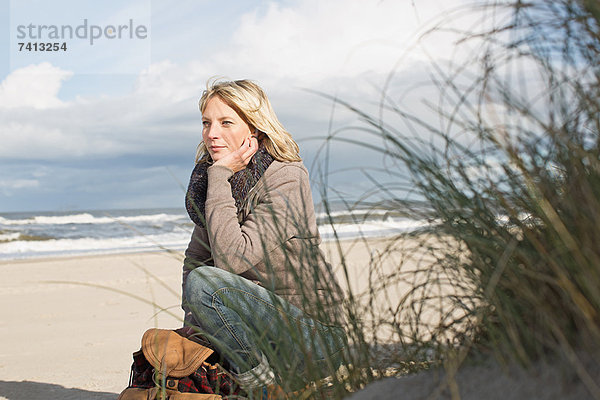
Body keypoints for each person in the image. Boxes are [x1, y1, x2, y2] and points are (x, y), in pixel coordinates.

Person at [181, 79, 347, 398]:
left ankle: (262, 389)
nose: (211, 133)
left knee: (205, 282)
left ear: (254, 128)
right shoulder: (211, 180)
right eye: (206, 123)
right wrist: (197, 323)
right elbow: (195, 260)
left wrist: (219, 177)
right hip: (255, 339)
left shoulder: (286, 176)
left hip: (314, 342)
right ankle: (258, 378)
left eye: (226, 122)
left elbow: (232, 259)